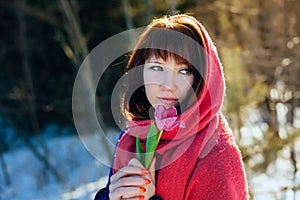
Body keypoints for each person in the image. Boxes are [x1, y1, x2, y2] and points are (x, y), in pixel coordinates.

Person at [94, 14, 249, 200]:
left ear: (203, 79)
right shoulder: (133, 138)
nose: (168, 84)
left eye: (184, 71)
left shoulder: (216, 153)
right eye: (157, 68)